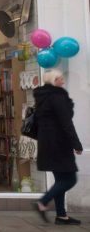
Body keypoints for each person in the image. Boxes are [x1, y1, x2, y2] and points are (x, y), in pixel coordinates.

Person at [33, 69, 82, 225]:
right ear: (54, 81)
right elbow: (66, 122)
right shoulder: (57, 96)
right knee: (70, 179)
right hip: (59, 144)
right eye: (60, 79)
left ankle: (61, 216)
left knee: (61, 179)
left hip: (47, 143)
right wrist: (76, 143)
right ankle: (43, 202)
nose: (63, 81)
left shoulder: (43, 97)